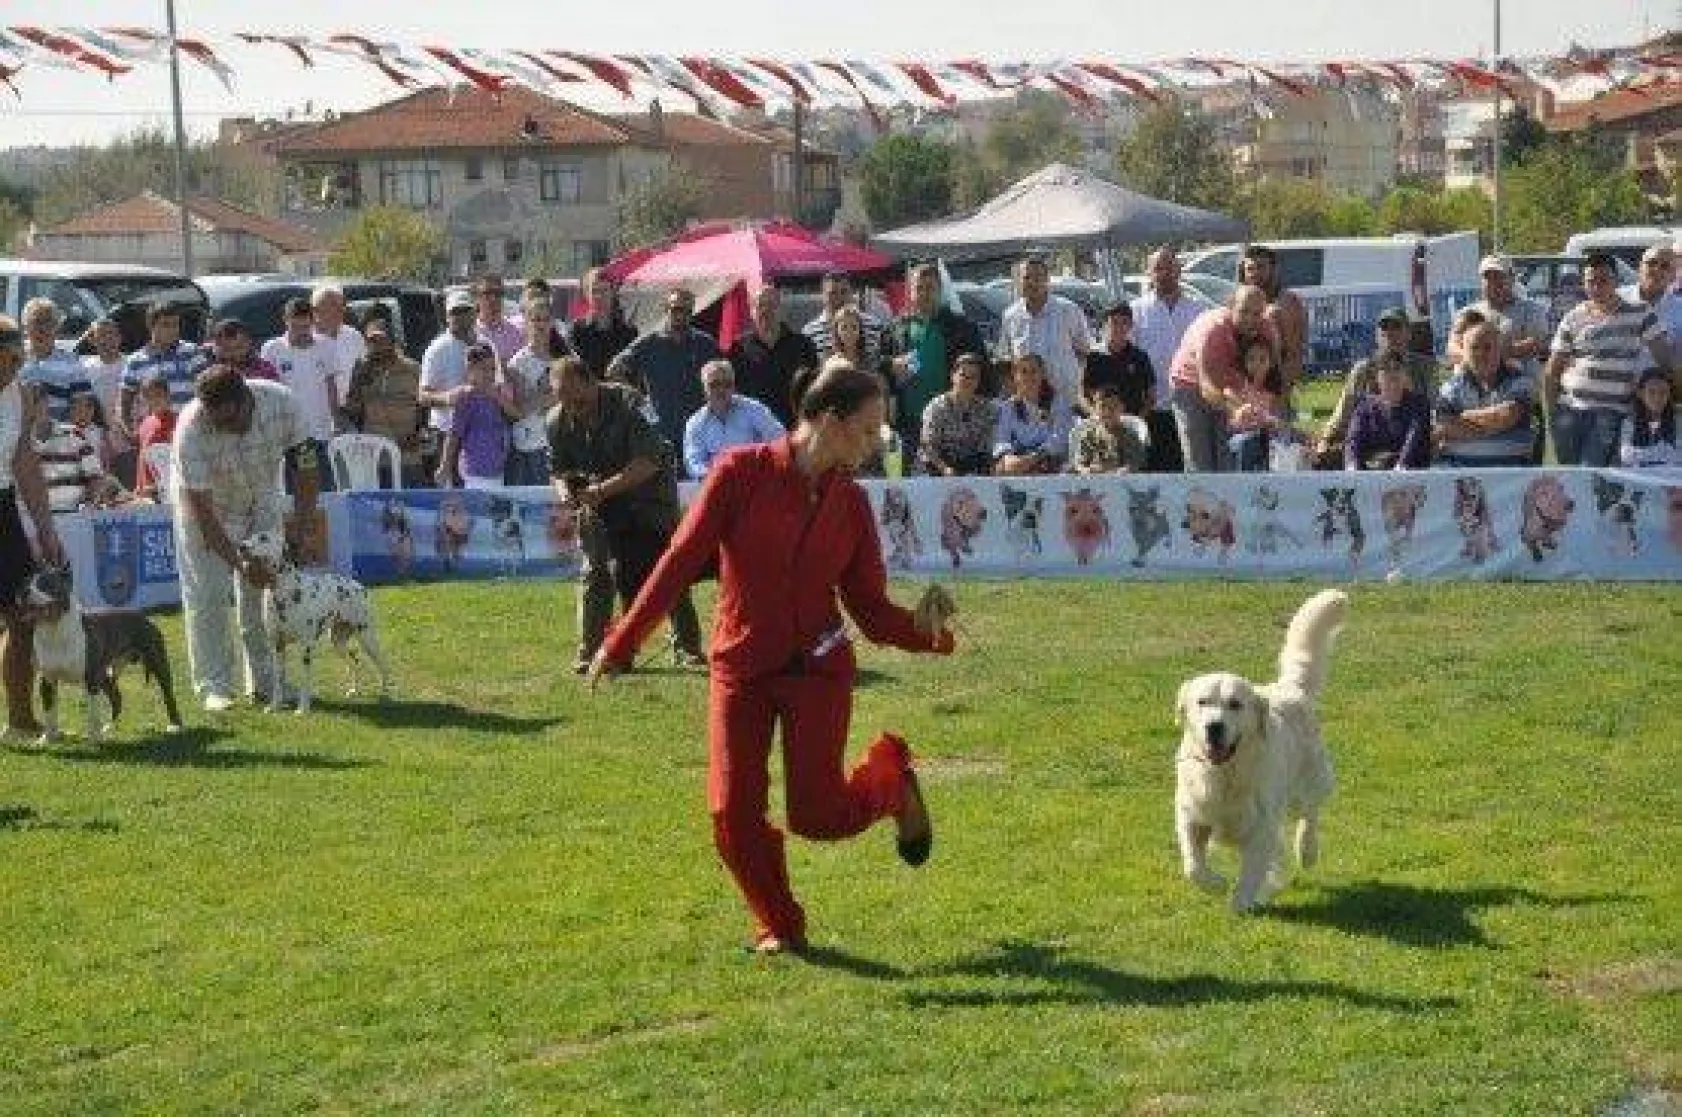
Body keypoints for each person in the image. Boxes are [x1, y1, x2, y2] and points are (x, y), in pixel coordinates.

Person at [586, 359, 952, 955]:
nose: (872, 446)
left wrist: (928, 630)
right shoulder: (738, 474)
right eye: (866, 431)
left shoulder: (852, 506)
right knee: (731, 816)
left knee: (818, 817)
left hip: (819, 671)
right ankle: (780, 924)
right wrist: (620, 642)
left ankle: (892, 783)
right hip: (742, 669)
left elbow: (870, 611)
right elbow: (678, 563)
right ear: (830, 421)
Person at [171, 365, 319, 711]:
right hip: (207, 509)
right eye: (215, 421)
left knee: (263, 597)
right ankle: (214, 687)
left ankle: (267, 683)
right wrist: (241, 564)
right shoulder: (190, 430)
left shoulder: (284, 403)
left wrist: (300, 528)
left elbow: (308, 469)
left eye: (229, 421)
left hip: (263, 500)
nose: (222, 428)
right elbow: (206, 520)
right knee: (208, 595)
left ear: (246, 400)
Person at [546, 356, 705, 675]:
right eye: (564, 402)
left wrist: (603, 489)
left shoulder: (631, 403)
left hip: (648, 497)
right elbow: (558, 471)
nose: (573, 410)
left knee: (665, 566)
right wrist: (566, 492)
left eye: (578, 400)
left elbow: (648, 462)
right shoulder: (557, 420)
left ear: (592, 382)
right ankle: (593, 652)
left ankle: (686, 646)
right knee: (596, 571)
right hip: (598, 501)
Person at [0, 315, 68, 740]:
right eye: (2, 360)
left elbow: (24, 461)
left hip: (3, 505)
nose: (8, 369)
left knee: (22, 616)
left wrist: (45, 527)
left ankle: (20, 721)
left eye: (13, 360)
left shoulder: (20, 395)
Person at [1544, 253, 1668, 466]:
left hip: (1610, 411)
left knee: (1590, 473)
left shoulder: (1641, 312)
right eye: (1591, 281)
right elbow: (1552, 370)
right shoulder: (1572, 317)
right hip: (1568, 411)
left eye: (1603, 280)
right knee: (1570, 476)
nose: (1597, 287)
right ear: (1583, 284)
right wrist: (1552, 414)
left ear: (1616, 281)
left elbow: (1664, 358)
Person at [1168, 285, 1276, 472]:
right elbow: (1208, 387)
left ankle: (1229, 497)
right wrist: (1235, 409)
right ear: (1231, 307)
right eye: (1244, 312)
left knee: (1230, 456)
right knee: (1200, 461)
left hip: (1232, 385)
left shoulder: (1267, 329)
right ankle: (1199, 497)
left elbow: (1273, 375)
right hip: (1189, 383)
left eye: (1257, 313)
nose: (1250, 319)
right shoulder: (1213, 331)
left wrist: (1265, 409)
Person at [1315, 307, 1438, 468]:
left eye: (1396, 327)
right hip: (1370, 442)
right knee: (1324, 457)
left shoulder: (1425, 368)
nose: (1390, 333)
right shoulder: (1362, 369)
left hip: (1413, 440)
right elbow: (1342, 414)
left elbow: (1434, 411)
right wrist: (1325, 440)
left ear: (1409, 333)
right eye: (1384, 329)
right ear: (1377, 337)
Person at [887, 262, 984, 465]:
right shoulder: (897, 328)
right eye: (918, 288)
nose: (924, 293)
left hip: (949, 424)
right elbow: (884, 371)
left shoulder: (962, 327)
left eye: (930, 288)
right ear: (910, 292)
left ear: (940, 290)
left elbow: (981, 371)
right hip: (908, 423)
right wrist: (891, 367)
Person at [608, 286, 719, 453]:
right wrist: (637, 397)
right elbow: (613, 370)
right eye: (675, 309)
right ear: (666, 309)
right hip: (661, 429)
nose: (681, 314)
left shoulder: (705, 344)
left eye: (687, 310)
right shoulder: (649, 343)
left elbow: (724, 378)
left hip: (699, 429)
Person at [1130, 248, 1209, 472]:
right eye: (1158, 268)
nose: (1164, 273)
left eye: (1170, 267)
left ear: (1179, 270)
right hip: (1150, 407)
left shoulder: (1199, 310)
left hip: (1192, 404)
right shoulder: (1136, 311)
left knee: (1189, 467)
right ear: (1149, 273)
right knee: (1152, 470)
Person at [261, 298, 340, 494]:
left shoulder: (326, 345)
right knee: (291, 491)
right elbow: (267, 391)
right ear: (285, 320)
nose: (301, 331)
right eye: (296, 326)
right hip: (286, 433)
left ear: (312, 322)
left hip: (318, 433)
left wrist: (335, 421)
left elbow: (331, 385)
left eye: (306, 326)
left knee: (323, 491)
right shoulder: (272, 348)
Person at [1435, 321, 1535, 469]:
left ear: (1499, 349)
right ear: (1464, 351)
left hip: (1511, 473)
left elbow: (1507, 416)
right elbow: (1444, 426)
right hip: (1459, 471)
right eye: (1474, 347)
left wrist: (1461, 418)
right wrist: (1492, 423)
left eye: (1488, 347)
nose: (1481, 353)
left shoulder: (1521, 382)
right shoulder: (1450, 387)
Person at [341, 318, 426, 488]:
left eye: (381, 340)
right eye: (371, 341)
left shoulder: (413, 369)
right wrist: (359, 379)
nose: (376, 346)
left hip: (407, 456)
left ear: (392, 341)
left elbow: (425, 407)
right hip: (374, 457)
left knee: (410, 508)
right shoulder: (361, 370)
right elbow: (351, 411)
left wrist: (419, 434)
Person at [998, 255, 1091, 406]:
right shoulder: (1010, 315)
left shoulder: (1068, 310)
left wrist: (1079, 387)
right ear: (1018, 281)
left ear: (1047, 280)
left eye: (1038, 277)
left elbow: (1084, 352)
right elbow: (1007, 360)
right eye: (1026, 277)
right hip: (1028, 402)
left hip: (1066, 400)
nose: (1032, 282)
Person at [727, 285, 818, 430]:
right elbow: (733, 393)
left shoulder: (803, 345)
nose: (765, 310)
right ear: (751, 312)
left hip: (795, 430)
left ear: (781, 309)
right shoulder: (738, 349)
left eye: (771, 305)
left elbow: (814, 389)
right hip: (754, 432)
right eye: (760, 305)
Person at [682, 359, 785, 480]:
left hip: (755, 481)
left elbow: (780, 440)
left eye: (727, 384)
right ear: (704, 388)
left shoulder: (754, 409)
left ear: (734, 387)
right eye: (714, 384)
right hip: (718, 483)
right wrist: (715, 475)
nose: (721, 390)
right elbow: (693, 463)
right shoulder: (695, 423)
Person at [503, 298, 567, 485]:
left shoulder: (565, 357)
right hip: (527, 443)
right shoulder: (518, 362)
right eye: (535, 319)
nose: (540, 324)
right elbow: (522, 408)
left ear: (552, 322)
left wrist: (546, 395)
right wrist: (552, 393)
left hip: (557, 441)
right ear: (527, 322)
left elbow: (573, 395)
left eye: (545, 319)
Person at [418, 290, 480, 480]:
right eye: (456, 312)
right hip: (446, 432)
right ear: (447, 316)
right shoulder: (437, 348)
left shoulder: (484, 343)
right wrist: (446, 398)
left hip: (478, 431)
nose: (461, 317)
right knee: (450, 499)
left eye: (465, 311)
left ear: (474, 313)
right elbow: (422, 395)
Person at [437, 342, 513, 489]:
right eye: (483, 369)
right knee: (478, 510)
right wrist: (444, 466)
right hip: (475, 470)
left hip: (498, 469)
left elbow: (516, 414)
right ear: (470, 370)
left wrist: (498, 397)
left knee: (495, 509)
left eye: (492, 369)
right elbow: (453, 434)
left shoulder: (497, 393)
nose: (489, 374)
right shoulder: (465, 397)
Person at [1239, 244, 1309, 396]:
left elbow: (1293, 354)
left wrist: (1281, 390)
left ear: (1273, 269)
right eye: (1250, 269)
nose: (1255, 273)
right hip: (1246, 385)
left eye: (1261, 267)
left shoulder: (1286, 302)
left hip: (1275, 385)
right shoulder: (1242, 301)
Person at [120, 302, 204, 422]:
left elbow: (207, 391)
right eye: (166, 325)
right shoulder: (135, 361)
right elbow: (125, 402)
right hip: (154, 431)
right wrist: (132, 432)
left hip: (188, 427)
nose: (172, 330)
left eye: (175, 324)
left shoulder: (192, 352)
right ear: (151, 326)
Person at [993, 354, 1075, 476]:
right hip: (1018, 461)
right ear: (1015, 377)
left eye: (1034, 371)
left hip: (1048, 459)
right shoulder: (1007, 407)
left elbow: (1060, 438)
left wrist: (1033, 458)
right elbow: (1001, 439)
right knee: (1002, 468)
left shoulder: (1058, 403)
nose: (1029, 376)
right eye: (1024, 372)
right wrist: (1008, 458)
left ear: (1042, 374)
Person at [919, 352, 997, 477]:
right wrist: (945, 469)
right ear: (952, 376)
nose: (968, 380)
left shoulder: (986, 409)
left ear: (978, 381)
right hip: (937, 465)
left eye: (973, 376)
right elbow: (928, 446)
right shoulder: (936, 407)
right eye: (963, 375)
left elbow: (986, 448)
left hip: (971, 466)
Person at [1344, 361, 1432, 471]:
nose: (1393, 385)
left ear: (1404, 378)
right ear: (1378, 380)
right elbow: (1353, 439)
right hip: (1371, 469)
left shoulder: (1419, 405)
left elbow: (1414, 438)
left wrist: (1401, 465)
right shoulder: (1364, 407)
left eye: (1396, 379)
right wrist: (1352, 465)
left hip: (1410, 471)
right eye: (1387, 380)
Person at [17, 298, 93, 423]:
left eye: (48, 322)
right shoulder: (13, 359)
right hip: (16, 431)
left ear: (57, 327)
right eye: (36, 322)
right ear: (25, 327)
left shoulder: (71, 361)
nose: (42, 328)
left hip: (57, 434)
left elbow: (83, 403)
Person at [1225, 338, 1292, 473]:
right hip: (1239, 437)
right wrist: (1240, 410)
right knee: (1244, 443)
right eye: (1251, 359)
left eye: (1262, 360)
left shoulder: (1270, 394)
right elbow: (1231, 407)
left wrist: (1273, 422)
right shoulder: (1237, 387)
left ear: (1270, 363)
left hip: (1265, 438)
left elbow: (1276, 420)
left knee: (1278, 444)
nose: (1257, 364)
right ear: (1244, 362)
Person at [82, 316, 134, 486]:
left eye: (111, 334)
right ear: (92, 339)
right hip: (97, 445)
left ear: (119, 338)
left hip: (128, 443)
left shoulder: (131, 364)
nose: (106, 339)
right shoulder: (85, 368)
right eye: (101, 335)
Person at [1082, 304, 1155, 418]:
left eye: (1124, 322)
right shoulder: (1093, 357)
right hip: (1100, 424)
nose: (1119, 327)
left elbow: (1151, 397)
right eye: (1114, 322)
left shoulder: (1140, 357)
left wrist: (1137, 421)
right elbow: (1083, 394)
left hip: (1131, 426)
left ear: (1131, 326)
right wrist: (1095, 415)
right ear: (1105, 325)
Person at [568, 269, 639, 378]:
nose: (599, 296)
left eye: (604, 290)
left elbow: (633, 371)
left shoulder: (629, 332)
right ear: (587, 294)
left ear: (613, 292)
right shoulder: (577, 330)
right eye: (595, 291)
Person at [1070, 381, 1147, 474]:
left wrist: (1120, 471)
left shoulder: (1130, 436)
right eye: (1102, 407)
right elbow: (1079, 464)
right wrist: (1088, 470)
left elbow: (1136, 464)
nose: (1107, 412)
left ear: (1122, 408)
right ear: (1096, 409)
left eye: (1112, 407)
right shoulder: (1089, 436)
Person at [310, 283, 366, 407]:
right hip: (318, 412)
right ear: (316, 310)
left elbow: (363, 371)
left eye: (341, 306)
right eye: (333, 305)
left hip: (351, 410)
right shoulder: (305, 341)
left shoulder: (354, 336)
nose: (340, 311)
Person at [1619, 367, 1678, 467]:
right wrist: (1659, 453)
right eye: (1651, 392)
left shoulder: (1674, 421)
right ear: (1640, 394)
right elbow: (1626, 456)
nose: (1657, 398)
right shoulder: (1629, 421)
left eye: (1663, 392)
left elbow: (1676, 455)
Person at [132, 374, 178, 501]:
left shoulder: (179, 422)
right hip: (148, 491)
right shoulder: (144, 424)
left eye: (158, 395)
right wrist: (139, 485)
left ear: (168, 396)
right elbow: (142, 457)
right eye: (148, 396)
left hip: (170, 490)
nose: (154, 400)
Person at [205, 318, 280, 382]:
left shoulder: (265, 369)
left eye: (230, 334)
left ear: (248, 341)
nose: (223, 339)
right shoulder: (206, 369)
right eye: (218, 335)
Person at [472, 273, 524, 365]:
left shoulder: (516, 334)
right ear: (476, 297)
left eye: (498, 293)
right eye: (487, 293)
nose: (493, 298)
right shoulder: (470, 333)